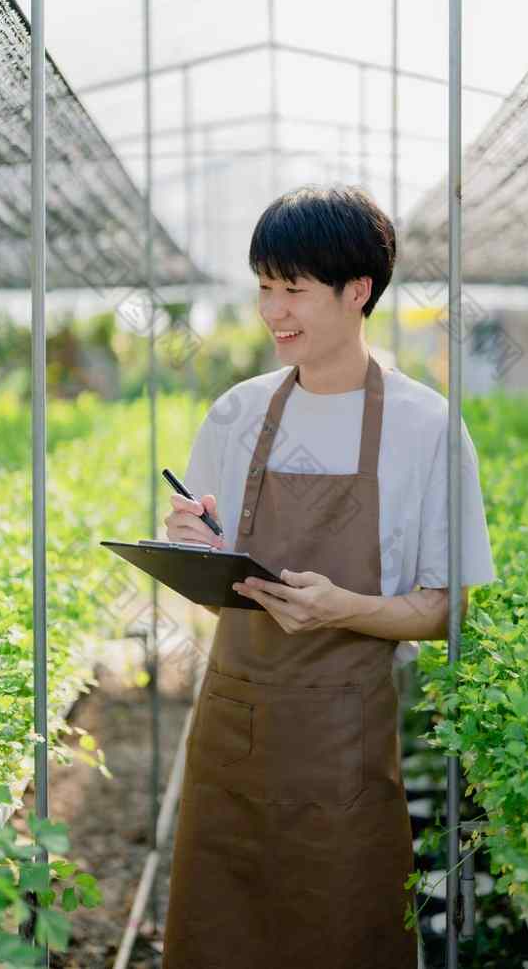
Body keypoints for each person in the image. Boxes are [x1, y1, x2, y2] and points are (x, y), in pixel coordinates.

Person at [160, 184, 496, 969]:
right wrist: (189, 542)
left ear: (357, 291)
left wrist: (345, 608)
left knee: (343, 929)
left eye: (293, 290)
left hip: (343, 740)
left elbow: (446, 610)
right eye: (264, 288)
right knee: (222, 932)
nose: (274, 310)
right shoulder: (236, 415)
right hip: (231, 729)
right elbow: (213, 574)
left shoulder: (428, 428)